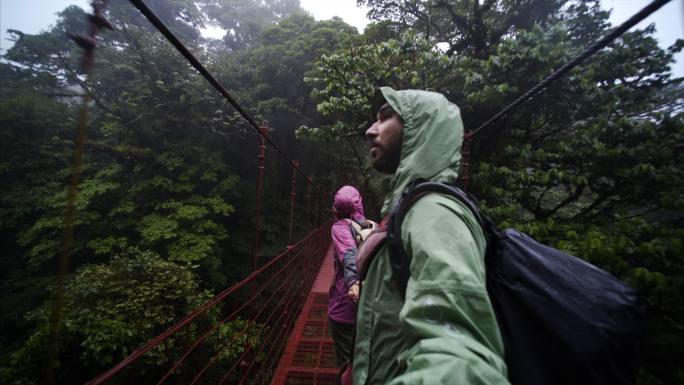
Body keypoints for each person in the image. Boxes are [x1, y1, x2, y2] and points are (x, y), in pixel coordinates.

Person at [353, 87, 510, 385]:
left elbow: (459, 356)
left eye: (385, 118)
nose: (370, 131)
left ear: (418, 128)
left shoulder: (434, 210)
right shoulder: (407, 210)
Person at [328, 185, 365, 368]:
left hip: (344, 309)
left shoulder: (339, 228)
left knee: (346, 368)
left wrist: (352, 282)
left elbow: (349, 254)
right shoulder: (370, 227)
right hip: (366, 310)